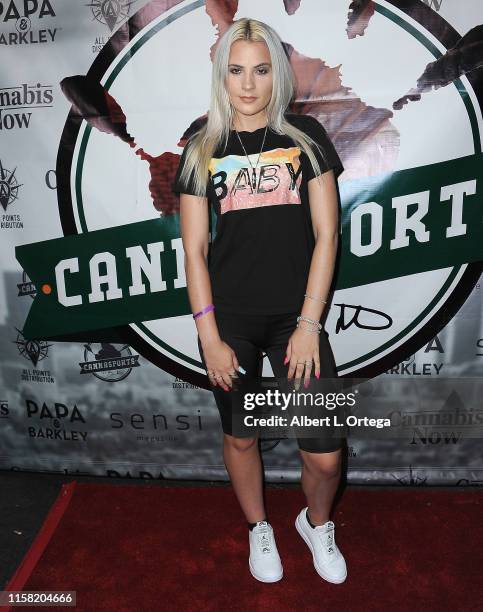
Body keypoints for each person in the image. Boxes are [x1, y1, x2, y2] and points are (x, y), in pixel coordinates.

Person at [172, 17, 347, 585]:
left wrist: (308, 324)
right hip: (232, 322)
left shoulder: (306, 140)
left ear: (279, 74)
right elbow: (194, 252)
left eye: (261, 69)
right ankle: (258, 528)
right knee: (241, 436)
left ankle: (314, 522)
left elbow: (328, 237)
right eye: (236, 70)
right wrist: (210, 339)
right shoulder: (204, 144)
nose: (248, 84)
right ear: (222, 76)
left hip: (298, 321)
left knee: (323, 452)